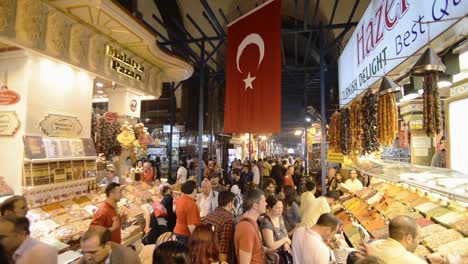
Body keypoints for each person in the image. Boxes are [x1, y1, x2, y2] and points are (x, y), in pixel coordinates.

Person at [369, 215, 446, 264]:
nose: (418, 242)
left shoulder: (373, 245)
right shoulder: (412, 261)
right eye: (418, 238)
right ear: (409, 238)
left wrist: (428, 259)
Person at [73, 226, 140, 264]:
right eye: (83, 252)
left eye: (93, 252)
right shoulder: (89, 254)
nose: (87, 257)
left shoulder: (128, 260)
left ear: (107, 245)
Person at [234, 189, 267, 264]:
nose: (266, 203)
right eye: (263, 201)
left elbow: (254, 248)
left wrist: (267, 250)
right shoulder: (246, 228)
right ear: (255, 205)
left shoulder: (251, 222)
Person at [203, 191, 235, 262]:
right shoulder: (228, 220)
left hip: (204, 255)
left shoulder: (210, 215)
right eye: (233, 203)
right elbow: (224, 250)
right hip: (216, 259)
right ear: (230, 204)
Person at [260, 195, 292, 262]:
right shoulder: (266, 221)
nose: (280, 210)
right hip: (274, 257)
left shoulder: (280, 217)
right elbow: (271, 246)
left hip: (284, 253)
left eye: (281, 207)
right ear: (269, 207)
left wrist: (286, 243)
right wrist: (285, 240)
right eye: (277, 208)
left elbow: (287, 239)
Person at [174, 181, 201, 245]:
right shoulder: (191, 204)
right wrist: (198, 239)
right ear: (194, 190)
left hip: (177, 231)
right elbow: (191, 226)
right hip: (185, 235)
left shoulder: (180, 199)